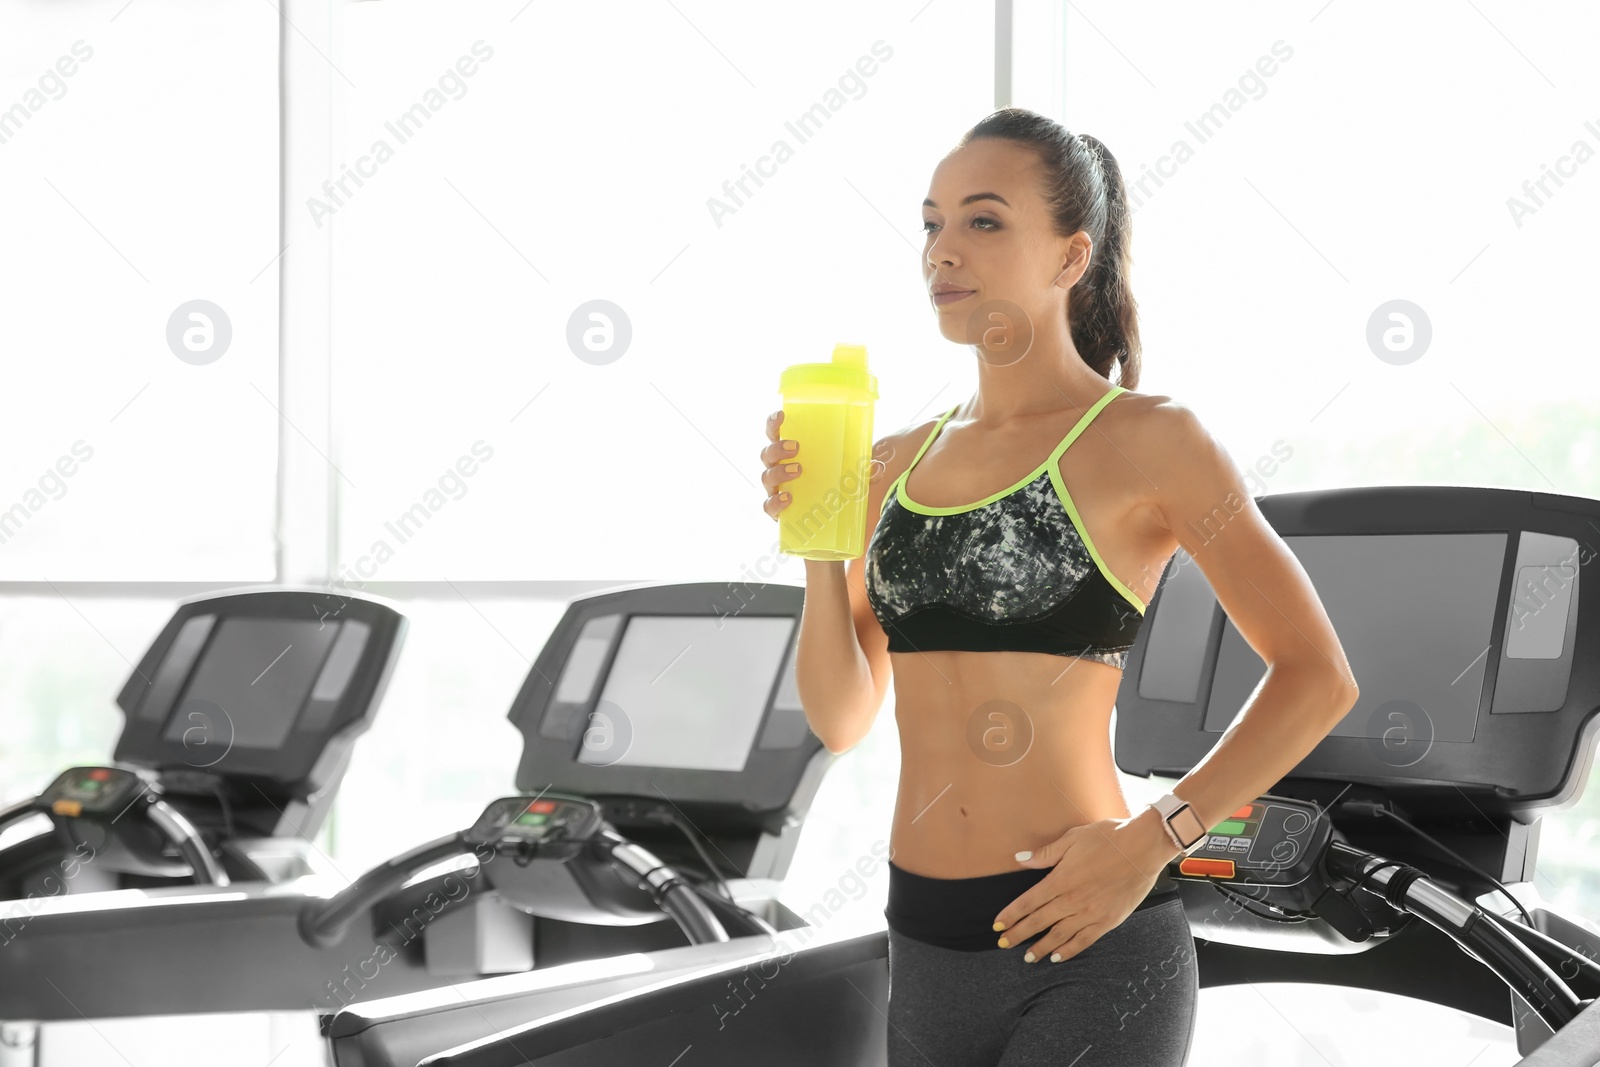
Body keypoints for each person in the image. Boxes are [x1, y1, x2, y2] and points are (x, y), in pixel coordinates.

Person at [760, 107, 1359, 1066]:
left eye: (984, 221)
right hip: (922, 940)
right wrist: (818, 544)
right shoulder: (891, 462)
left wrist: (1155, 838)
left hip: (1091, 942)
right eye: (931, 223)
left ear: (1071, 256)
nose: (944, 250)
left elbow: (1317, 674)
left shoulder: (1151, 440)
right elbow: (839, 718)